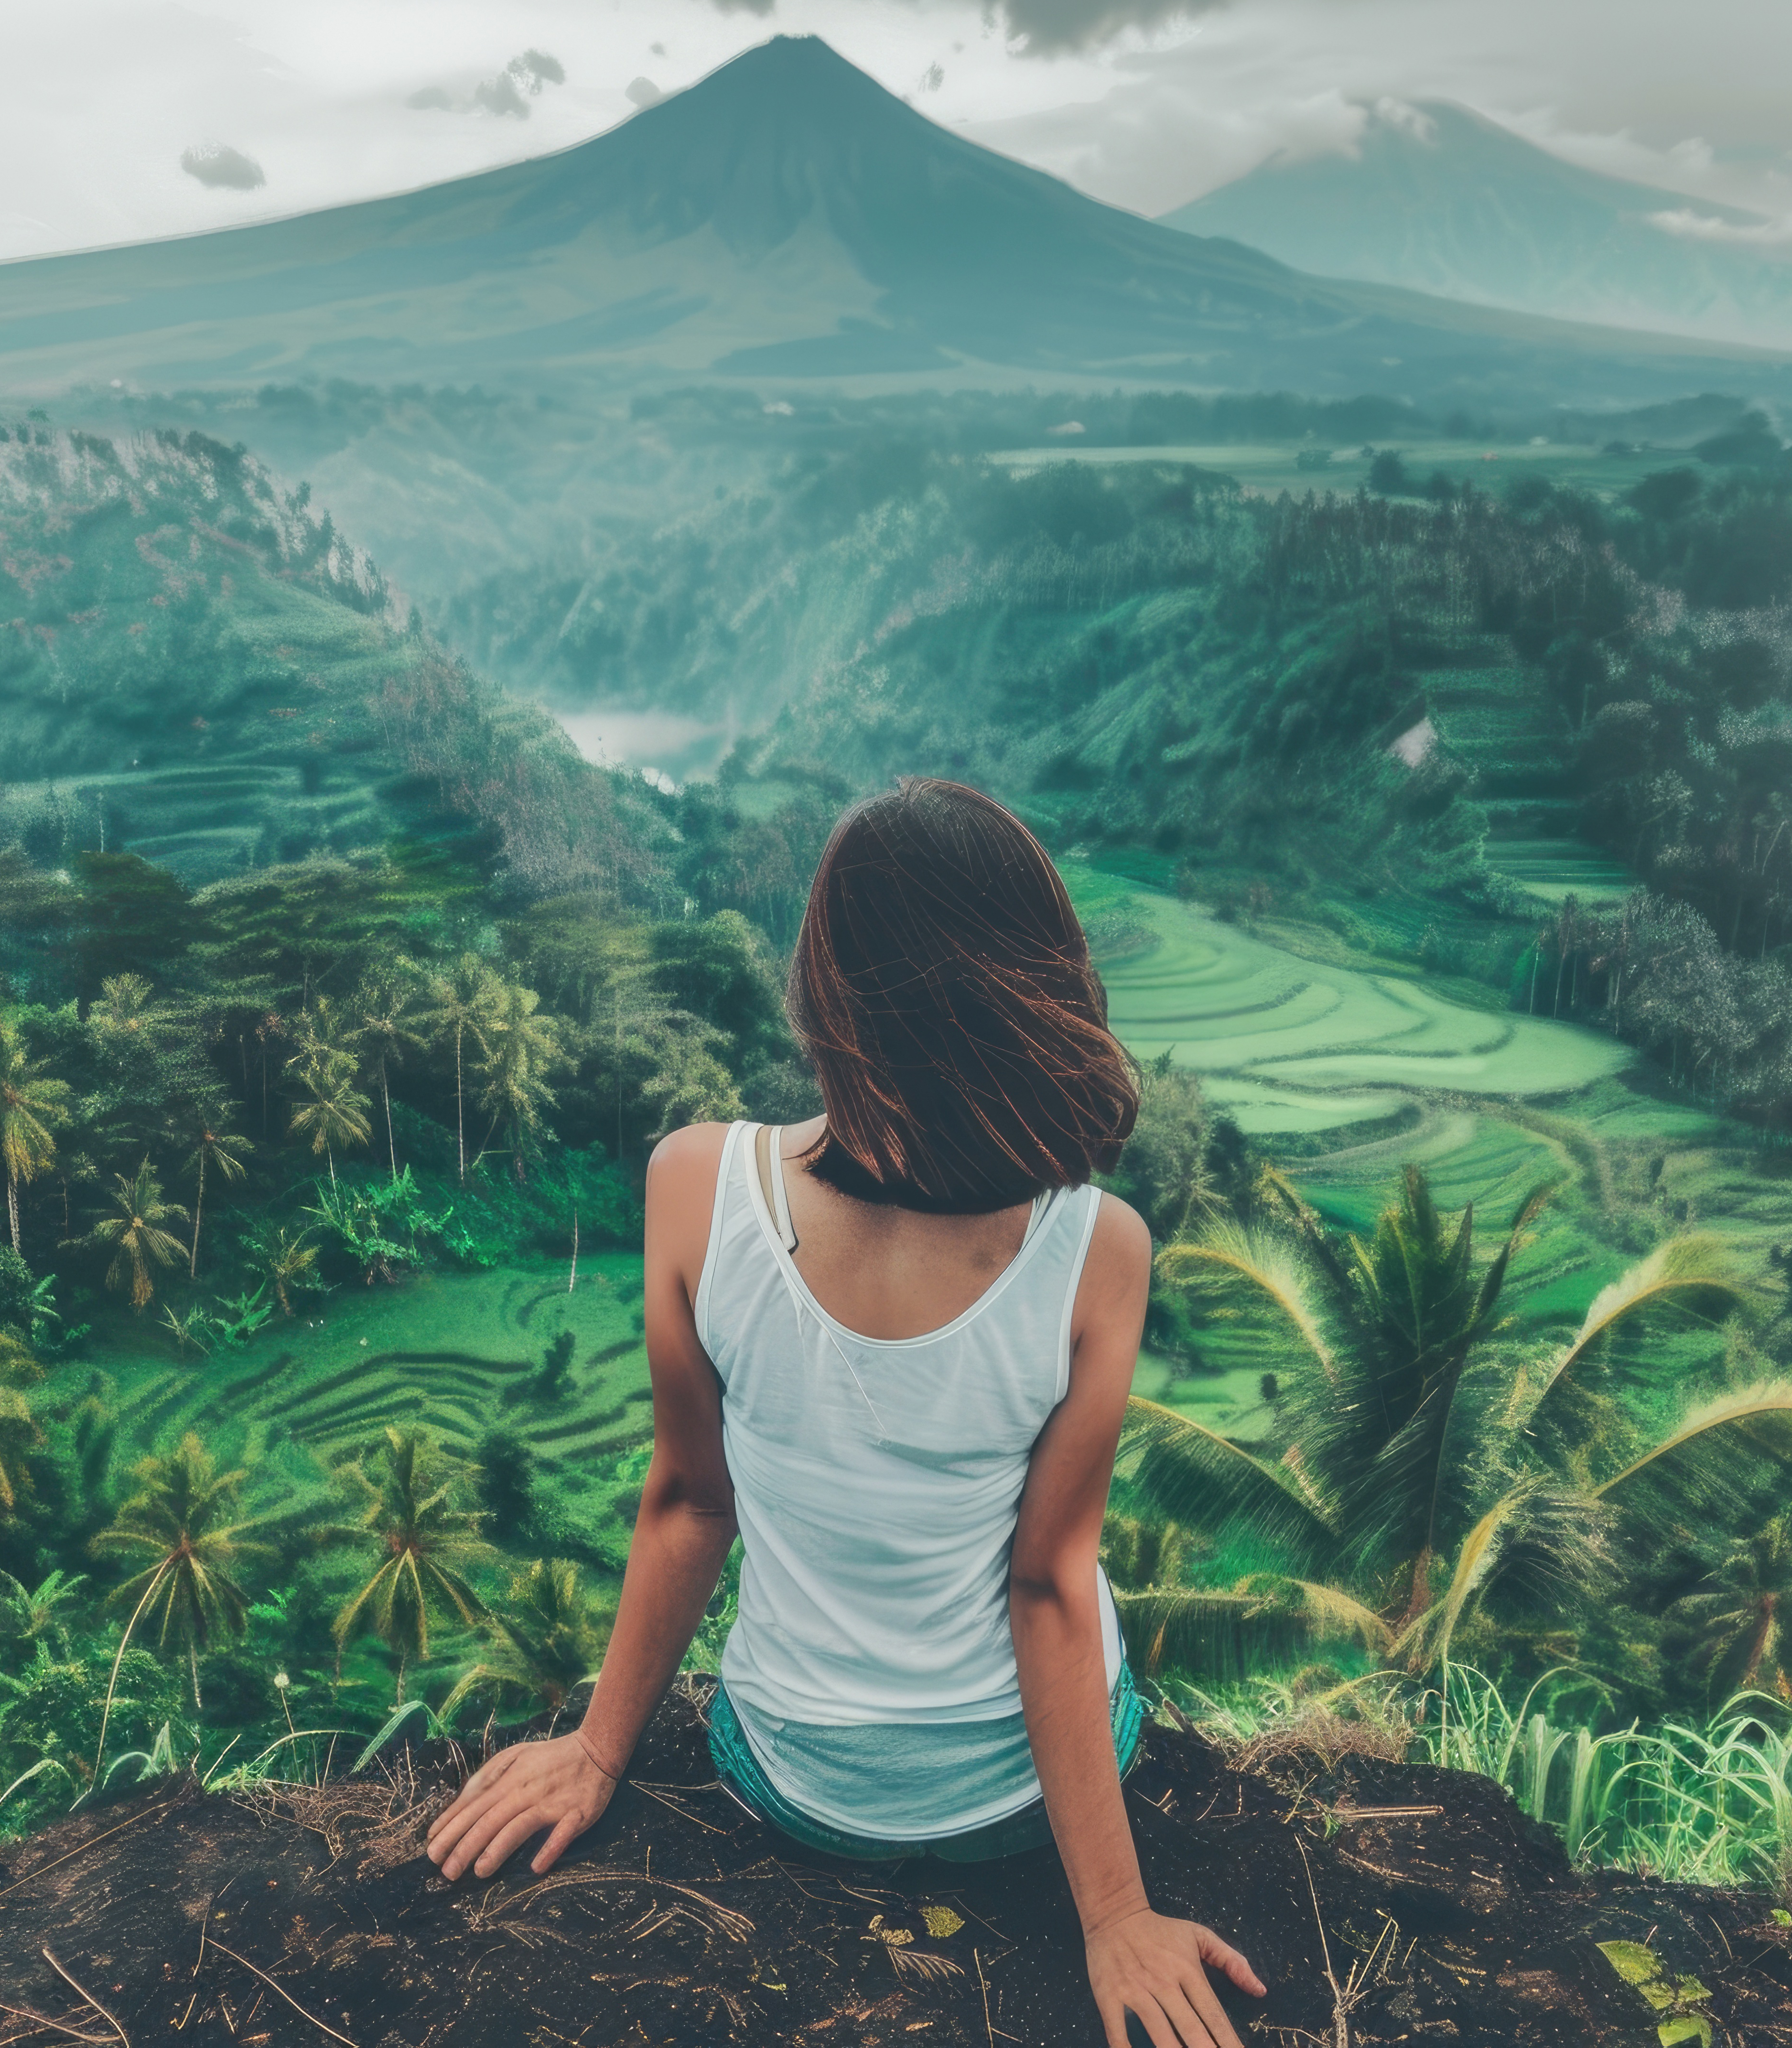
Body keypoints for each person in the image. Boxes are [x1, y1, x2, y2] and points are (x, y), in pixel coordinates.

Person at [426, 779, 1266, 2048]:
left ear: (824, 997)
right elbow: (1043, 1586)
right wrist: (1113, 1921)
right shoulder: (1100, 1250)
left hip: (798, 1785)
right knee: (1085, 1588)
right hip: (1011, 1805)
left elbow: (690, 1502)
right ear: (1040, 992)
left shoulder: (695, 1185)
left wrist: (599, 1755)